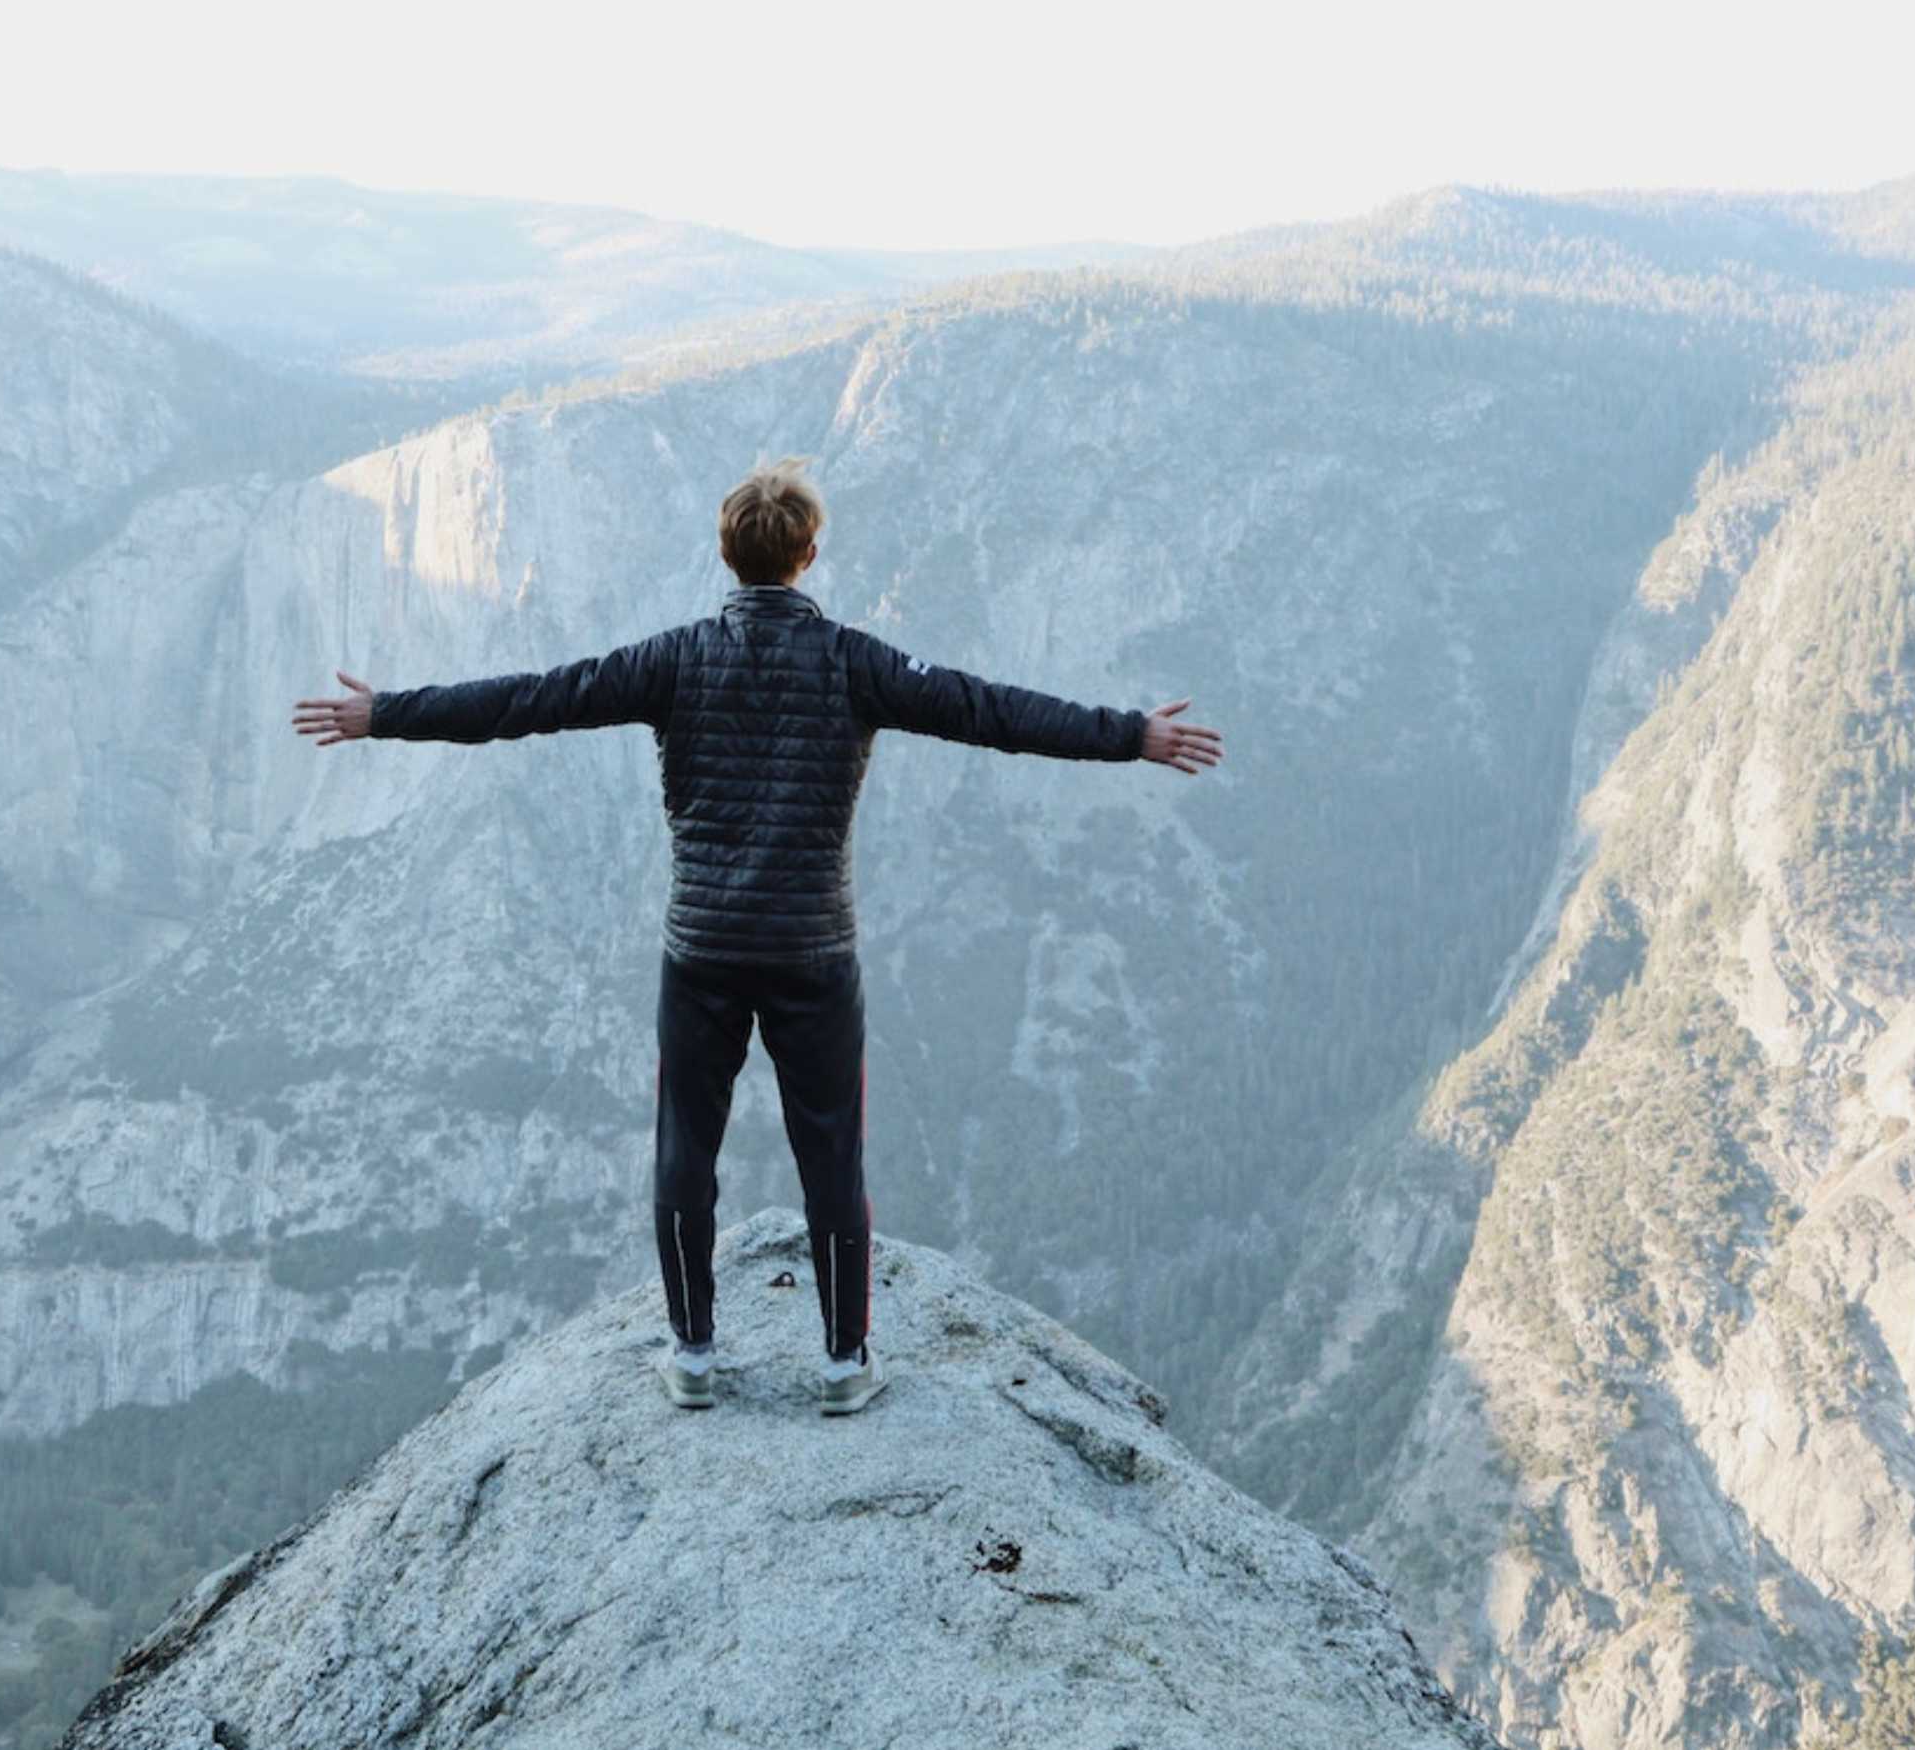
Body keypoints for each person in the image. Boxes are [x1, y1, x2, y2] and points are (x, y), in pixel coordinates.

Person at [290, 459, 1222, 1415]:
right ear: (809, 554)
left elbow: (531, 698)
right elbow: (992, 710)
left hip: (701, 951)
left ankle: (692, 1355)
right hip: (814, 954)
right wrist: (1129, 735)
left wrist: (384, 715)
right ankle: (843, 1363)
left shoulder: (674, 659)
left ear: (727, 557)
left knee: (685, 1146)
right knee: (833, 1156)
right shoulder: (859, 664)